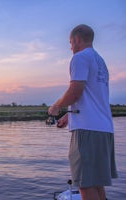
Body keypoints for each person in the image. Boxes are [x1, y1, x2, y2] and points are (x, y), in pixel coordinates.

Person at [48, 24, 118, 200]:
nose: (70, 47)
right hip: (103, 129)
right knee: (96, 183)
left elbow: (75, 90)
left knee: (85, 185)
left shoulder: (79, 58)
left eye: (70, 42)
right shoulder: (100, 61)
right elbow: (91, 98)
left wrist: (56, 107)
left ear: (77, 39)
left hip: (87, 131)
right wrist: (68, 115)